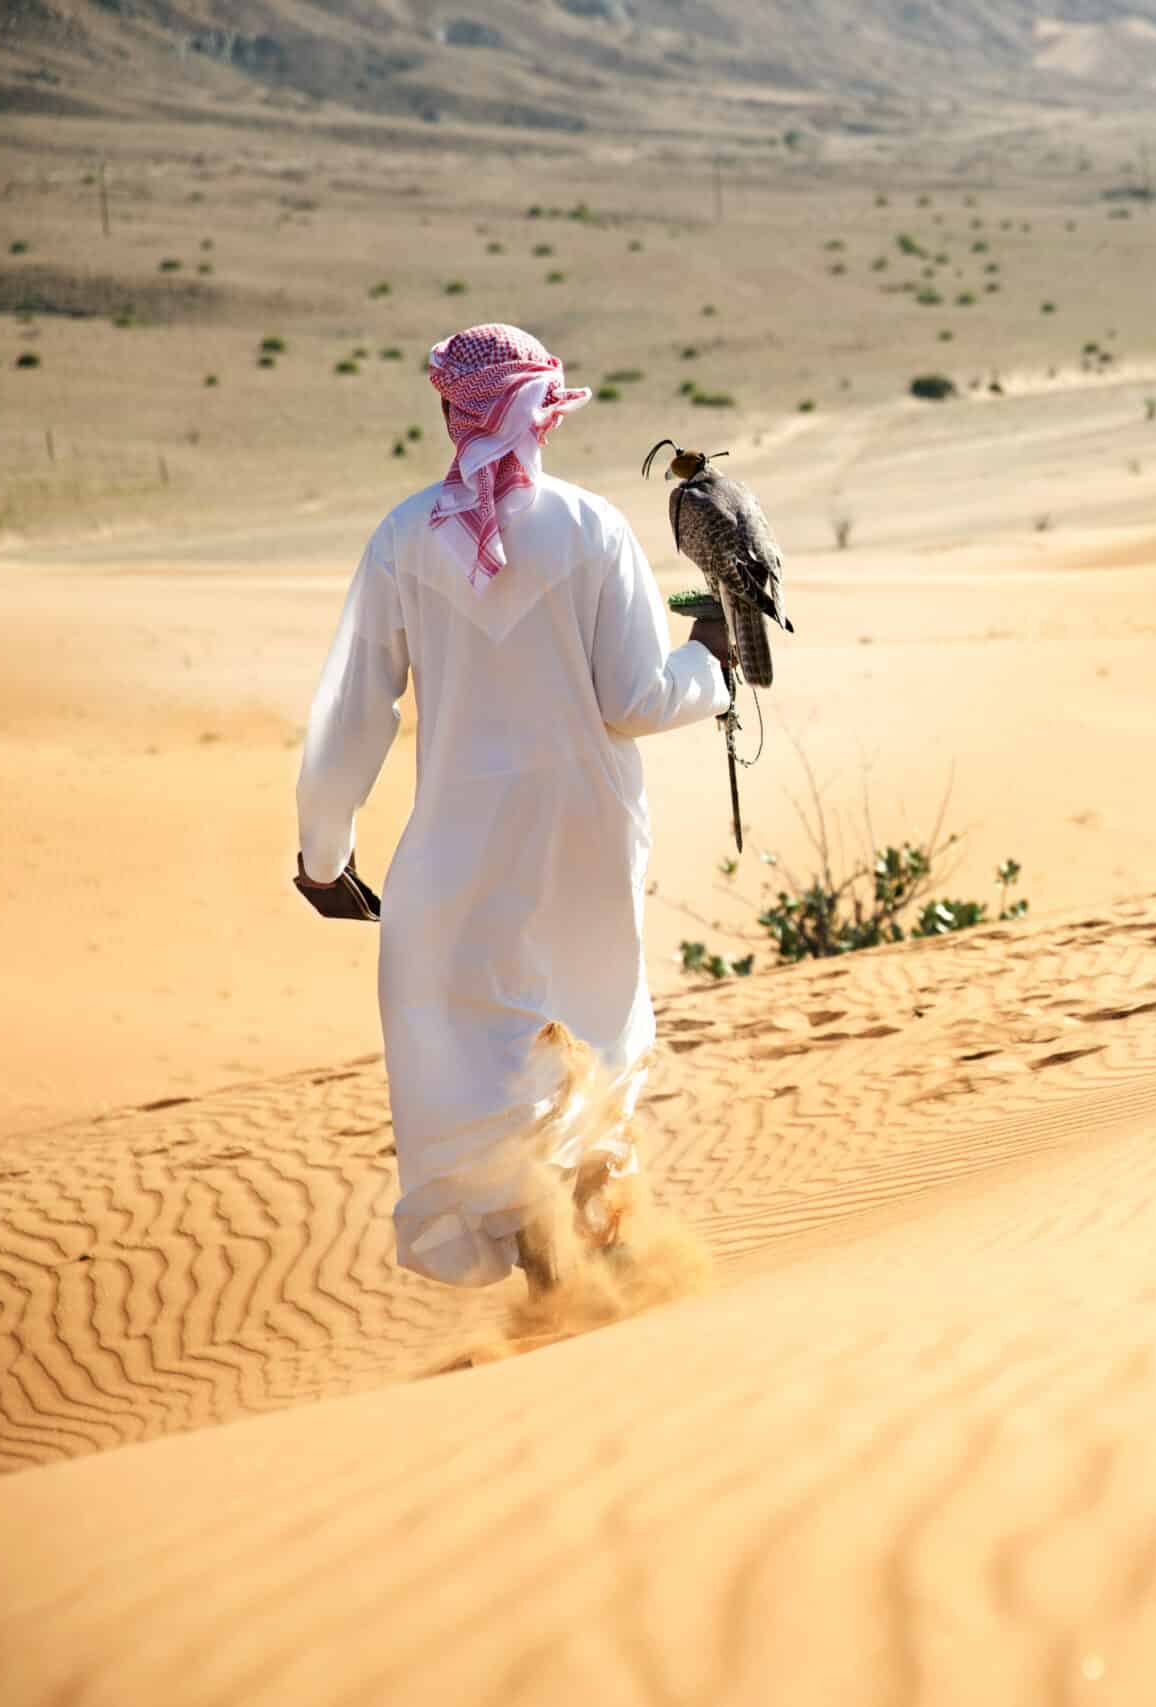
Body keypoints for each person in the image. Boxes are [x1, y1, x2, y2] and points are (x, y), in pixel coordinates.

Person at [296, 323, 737, 1296]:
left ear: (451, 414)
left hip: (456, 845)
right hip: (583, 835)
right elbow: (635, 701)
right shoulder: (591, 530)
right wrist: (712, 655)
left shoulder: (405, 536)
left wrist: (322, 855)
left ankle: (551, 1257)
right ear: (545, 411)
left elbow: (352, 708)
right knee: (589, 1028)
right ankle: (583, 1247)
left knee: (468, 1045)